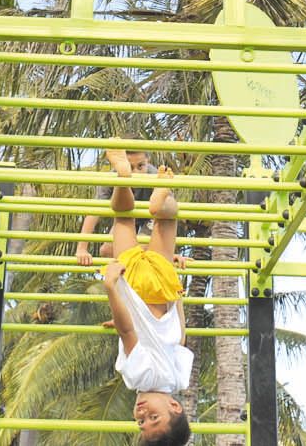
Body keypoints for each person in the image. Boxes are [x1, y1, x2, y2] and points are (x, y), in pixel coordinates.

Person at [99, 151, 193, 446]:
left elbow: (181, 339)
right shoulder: (138, 379)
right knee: (124, 221)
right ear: (174, 407)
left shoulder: (179, 380)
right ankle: (123, 177)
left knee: (167, 220)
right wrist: (112, 287)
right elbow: (128, 332)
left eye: (141, 423)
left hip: (164, 294)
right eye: (154, 418)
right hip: (134, 286)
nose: (143, 414)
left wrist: (178, 296)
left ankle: (163, 200)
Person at [75, 150, 156, 267]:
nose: (136, 173)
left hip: (150, 217)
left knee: (137, 251)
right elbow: (94, 212)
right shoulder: (112, 178)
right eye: (130, 167)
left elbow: (168, 215)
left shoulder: (155, 176)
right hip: (126, 215)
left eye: (140, 166)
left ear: (147, 161)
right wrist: (81, 249)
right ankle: (120, 280)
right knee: (106, 250)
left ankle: (135, 279)